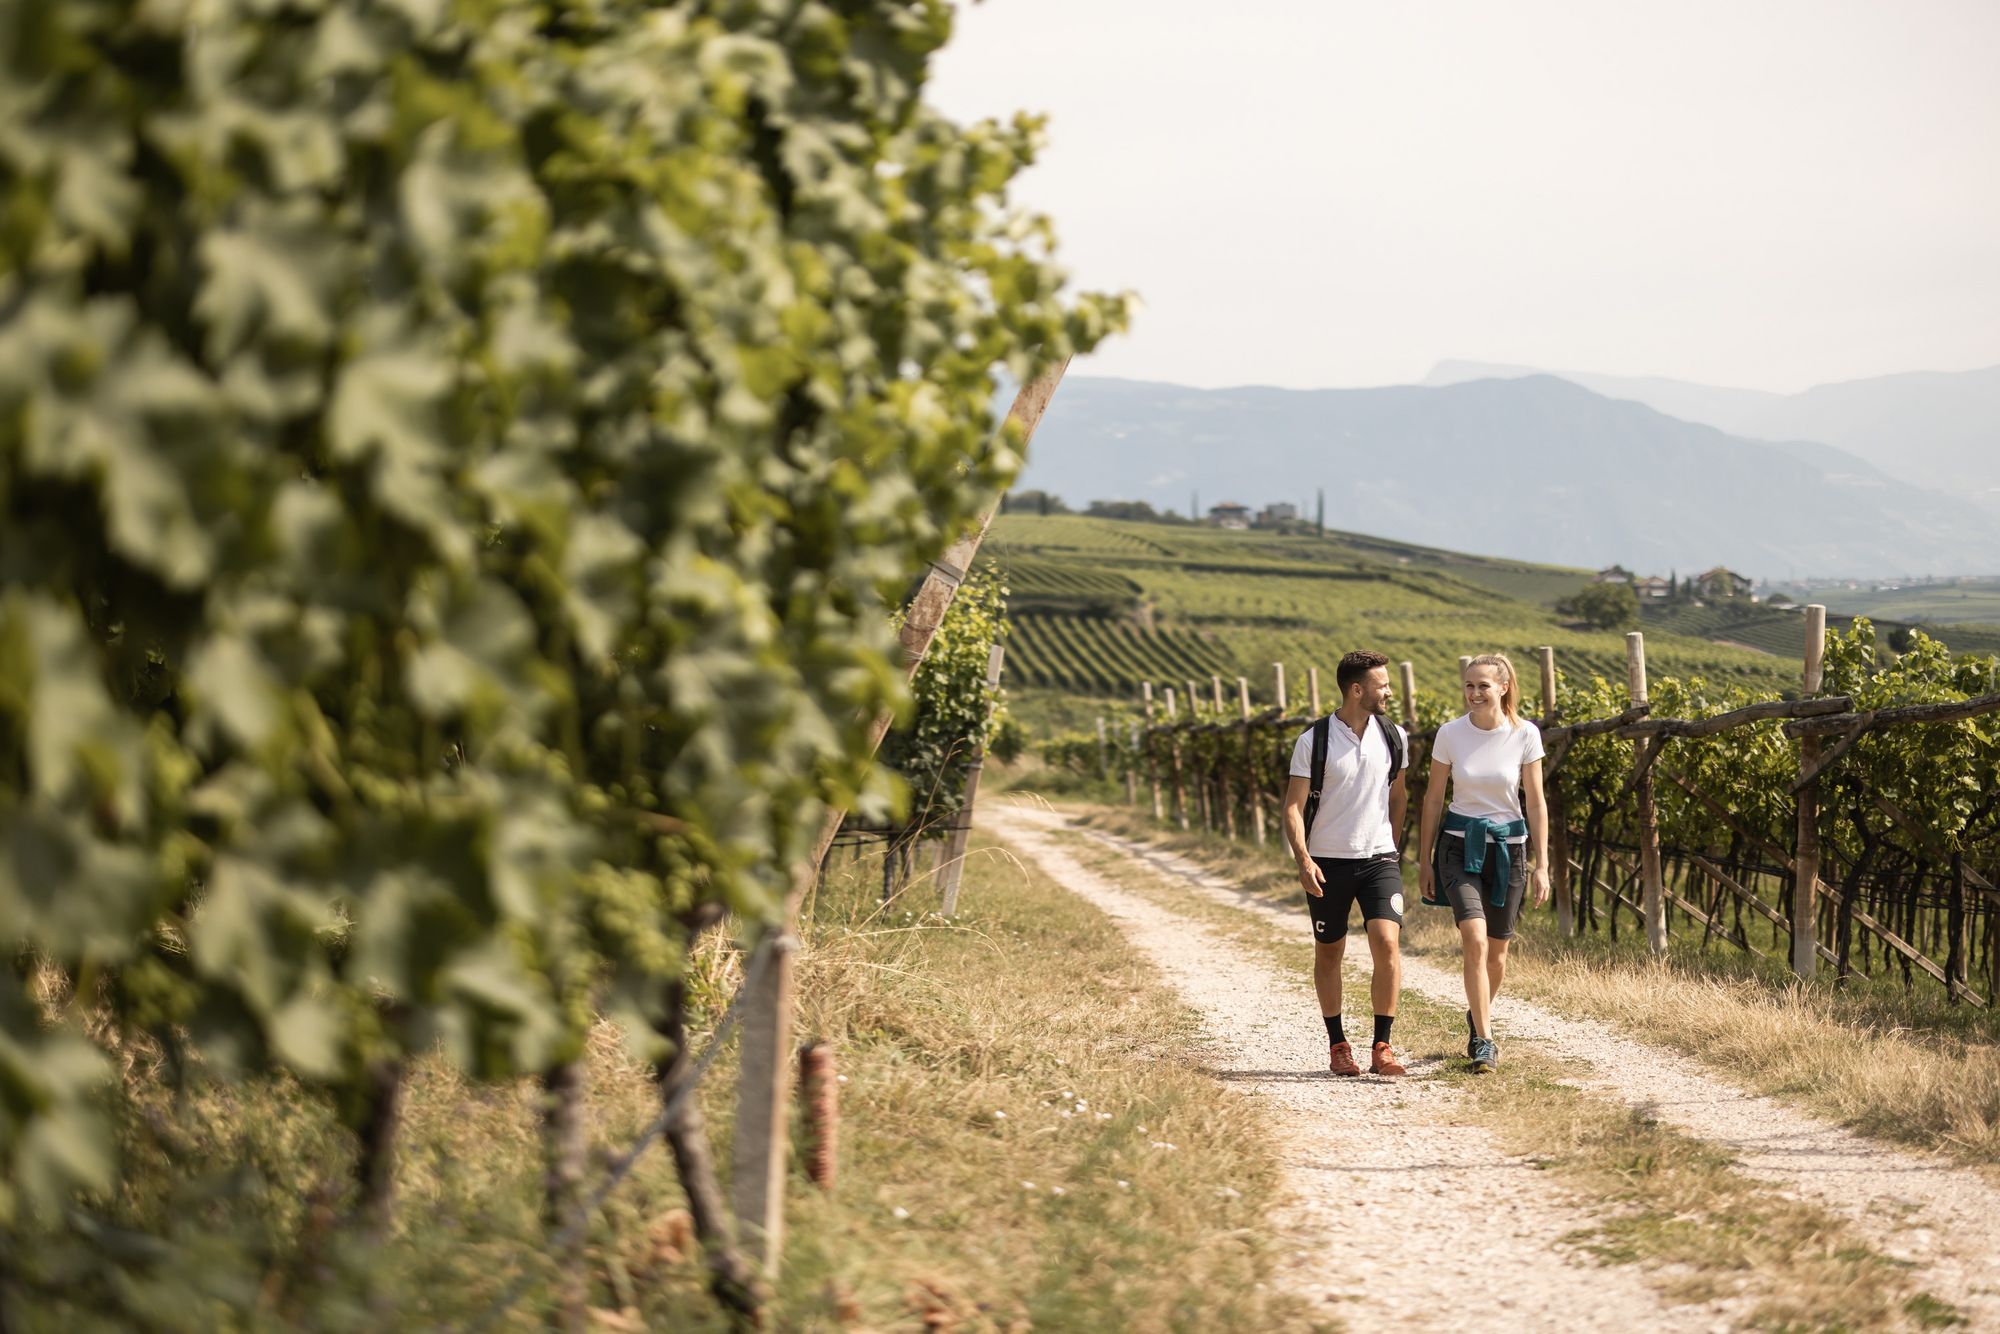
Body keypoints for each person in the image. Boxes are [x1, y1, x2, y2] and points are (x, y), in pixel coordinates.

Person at [1416, 653, 1551, 1074]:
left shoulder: (1525, 734)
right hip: (1458, 847)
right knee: (1473, 939)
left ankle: (1478, 1018)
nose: (1474, 693)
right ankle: (1485, 1041)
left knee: (1497, 955)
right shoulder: (1450, 734)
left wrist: (1542, 864)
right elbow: (1434, 798)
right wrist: (1424, 861)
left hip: (1509, 850)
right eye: (1469, 685)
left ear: (1504, 687)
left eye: (1483, 686)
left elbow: (1536, 801)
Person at [1282, 650, 1410, 1077]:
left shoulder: (1395, 735)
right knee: (1330, 952)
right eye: (1382, 684)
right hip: (1327, 862)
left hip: (1379, 860)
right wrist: (1303, 859)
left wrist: (1392, 842)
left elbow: (1399, 794)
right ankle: (1338, 1045)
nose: (1389, 691)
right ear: (1357, 690)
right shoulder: (1313, 741)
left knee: (1387, 944)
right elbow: (1293, 808)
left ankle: (1382, 1046)